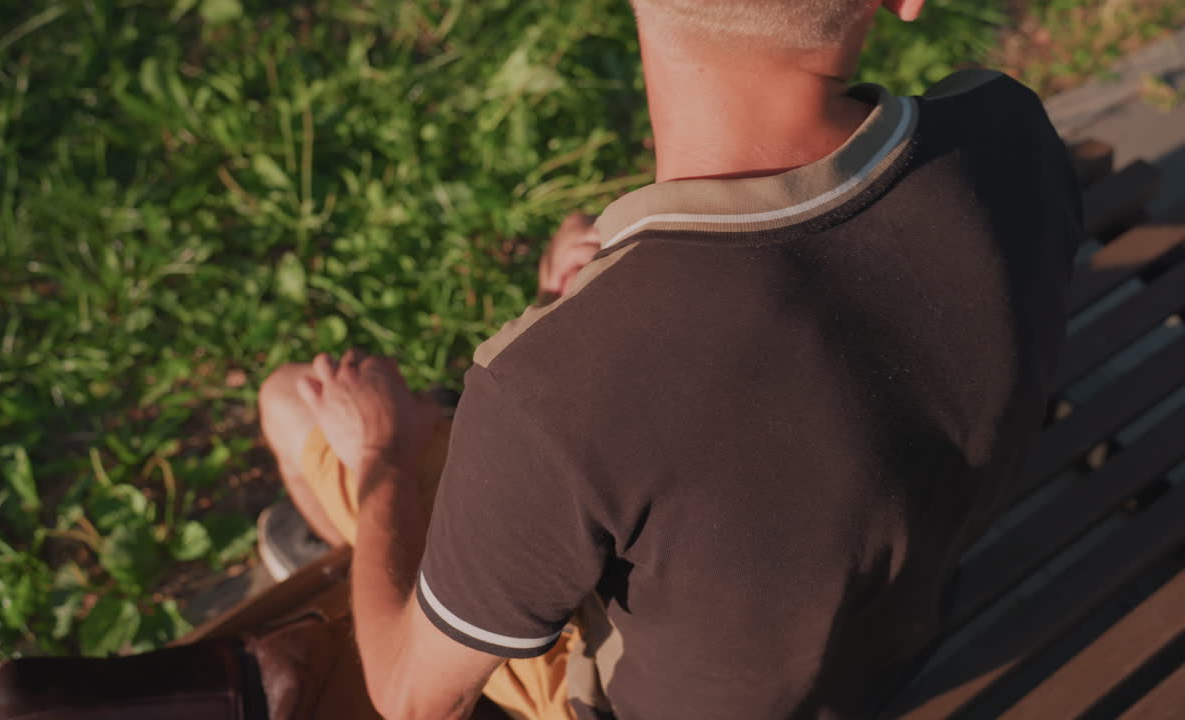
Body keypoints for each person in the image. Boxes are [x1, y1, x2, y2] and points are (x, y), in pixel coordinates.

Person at [255, 0, 1083, 717]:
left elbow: (414, 699)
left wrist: (383, 459)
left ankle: (368, 550)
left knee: (296, 404)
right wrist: (578, 314)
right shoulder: (1007, 132)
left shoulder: (545, 393)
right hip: (900, 624)